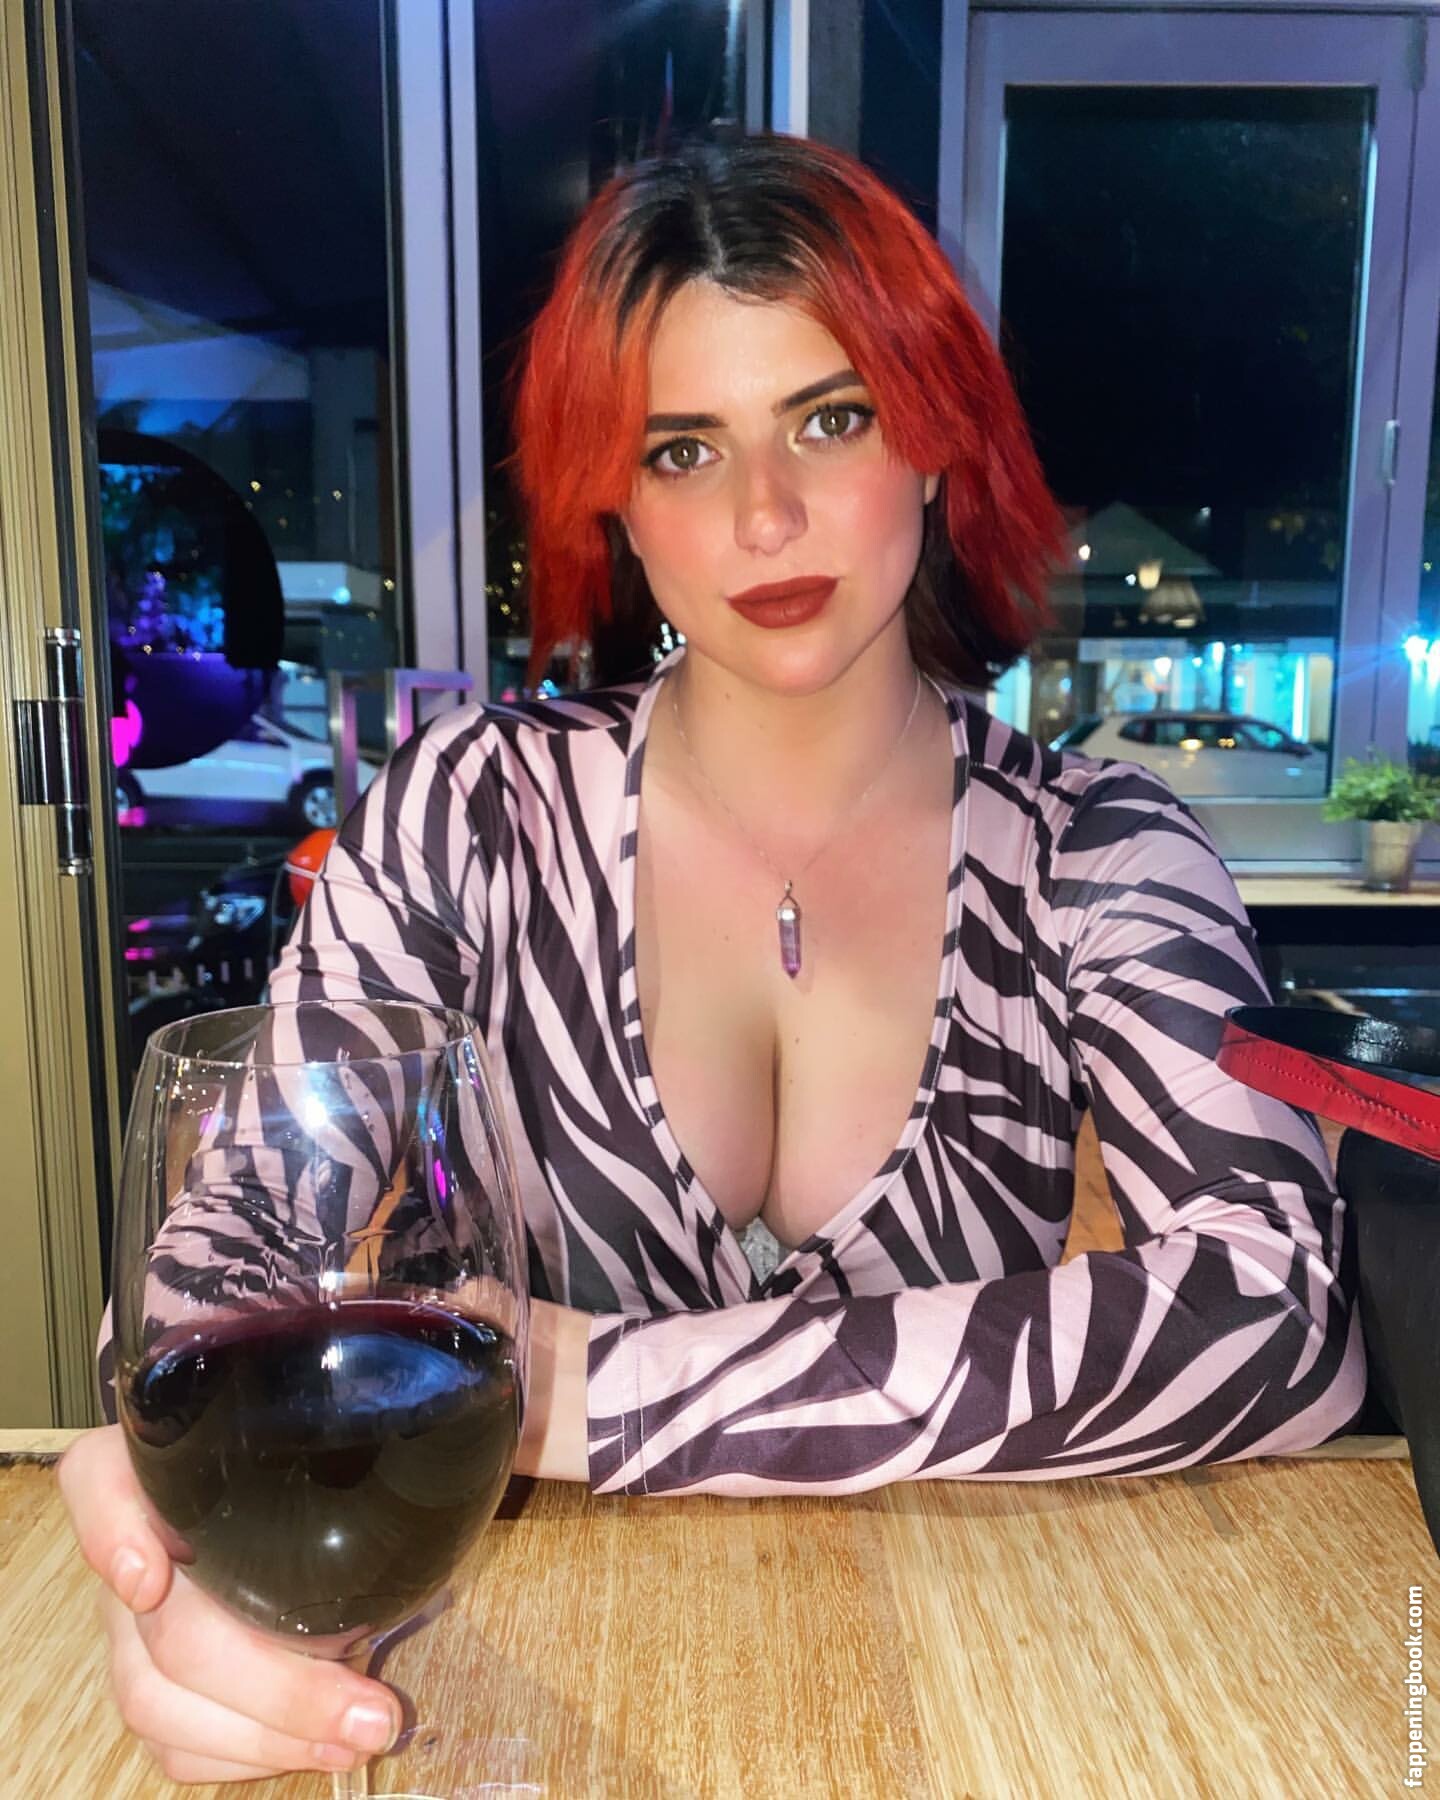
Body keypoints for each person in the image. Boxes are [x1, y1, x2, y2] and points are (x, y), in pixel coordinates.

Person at [60, 132, 1368, 1785]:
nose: (766, 513)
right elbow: (229, 1234)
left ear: (936, 438)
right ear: (613, 497)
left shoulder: (1100, 852)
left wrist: (580, 1397)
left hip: (976, 1693)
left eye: (833, 418)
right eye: (684, 448)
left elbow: (1280, 1310)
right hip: (532, 1690)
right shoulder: (475, 812)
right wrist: (170, 1505)